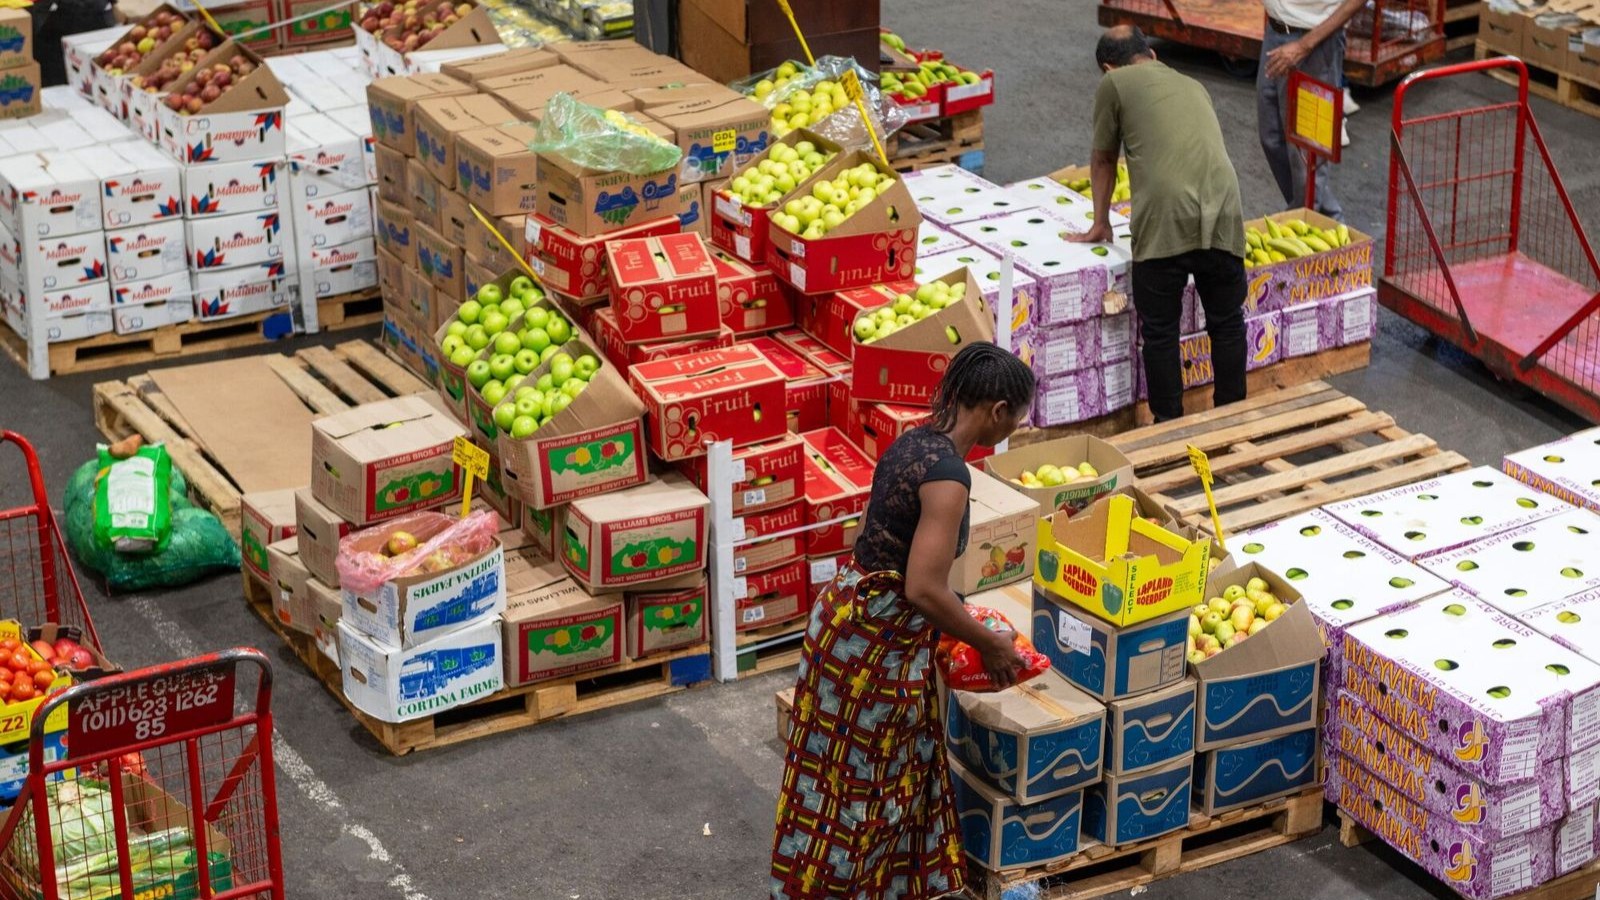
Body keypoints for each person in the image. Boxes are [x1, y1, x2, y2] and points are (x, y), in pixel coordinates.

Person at [770, 343, 1036, 900]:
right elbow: (921, 587)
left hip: (846, 621)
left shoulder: (914, 442)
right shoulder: (950, 479)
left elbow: (878, 545)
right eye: (1018, 416)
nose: (1017, 426)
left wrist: (947, 619)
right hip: (876, 652)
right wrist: (989, 643)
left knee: (836, 778)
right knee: (867, 792)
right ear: (998, 411)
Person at [1070, 26, 1248, 423]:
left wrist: (1100, 222)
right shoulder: (1192, 84)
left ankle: (1169, 426)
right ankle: (1232, 419)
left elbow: (1103, 159)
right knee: (1227, 323)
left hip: (1165, 218)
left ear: (1107, 67)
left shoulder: (1114, 83)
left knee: (1161, 333)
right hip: (1224, 210)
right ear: (1151, 54)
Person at [1257, 0, 1366, 218]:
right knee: (1272, 136)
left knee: (1307, 153)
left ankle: (1309, 220)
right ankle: (1322, 218)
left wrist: (1304, 45)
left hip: (1313, 43)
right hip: (1275, 31)